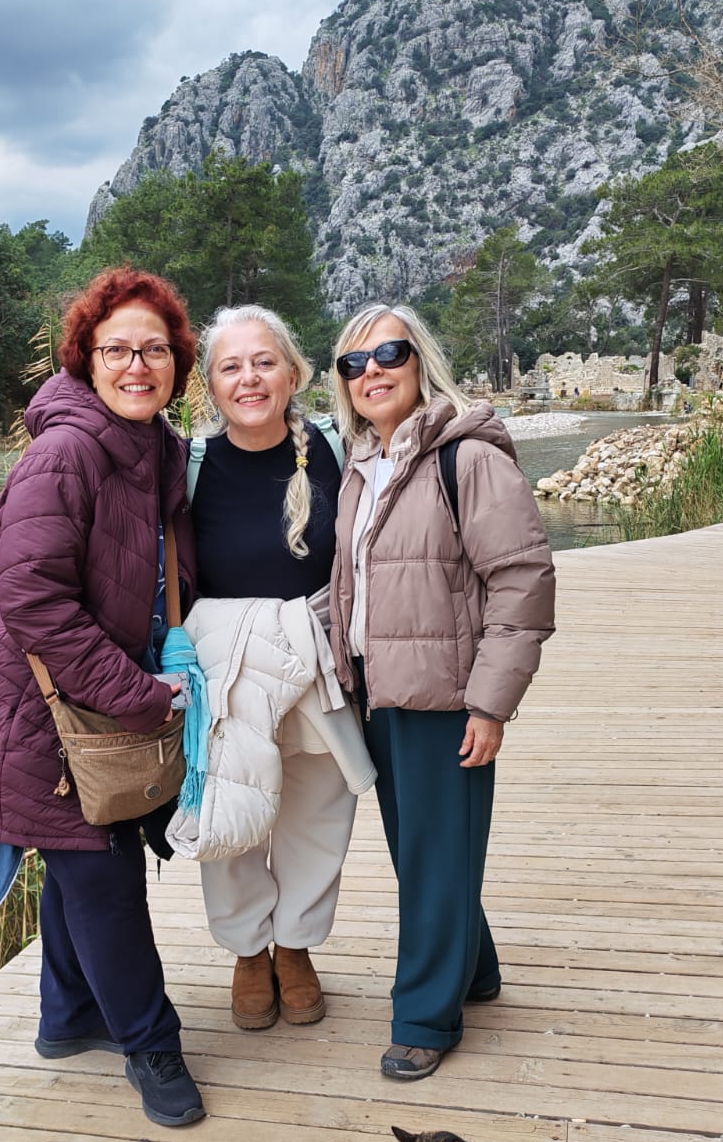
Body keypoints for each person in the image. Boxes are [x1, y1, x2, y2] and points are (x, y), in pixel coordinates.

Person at [0, 267, 206, 1128]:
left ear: (178, 364)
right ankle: (150, 1044)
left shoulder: (157, 448)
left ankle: (67, 1017)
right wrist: (139, 695)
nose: (138, 366)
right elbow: (33, 600)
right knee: (103, 872)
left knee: (83, 852)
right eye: (117, 350)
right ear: (86, 360)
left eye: (155, 350)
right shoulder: (65, 453)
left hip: (88, 702)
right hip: (39, 711)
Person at [327, 303, 555, 1081]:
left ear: (420, 360)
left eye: (388, 354)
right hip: (380, 693)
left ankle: (426, 1016)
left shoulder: (468, 458)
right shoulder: (363, 462)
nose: (371, 372)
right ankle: (475, 970)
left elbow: (522, 581)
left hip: (446, 698)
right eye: (353, 363)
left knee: (431, 854)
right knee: (424, 851)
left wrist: (490, 703)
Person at [187, 304, 367, 1031]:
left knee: (317, 815)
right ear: (211, 386)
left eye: (264, 362)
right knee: (230, 814)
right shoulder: (188, 466)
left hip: (317, 658)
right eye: (231, 366)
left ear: (293, 373)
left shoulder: (337, 449)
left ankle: (294, 946)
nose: (250, 378)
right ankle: (246, 950)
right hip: (224, 672)